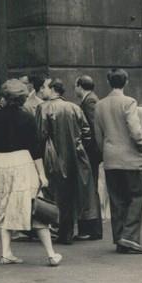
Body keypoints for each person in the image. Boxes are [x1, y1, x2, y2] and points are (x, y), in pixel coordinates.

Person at [0, 78, 61, 266]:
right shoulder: (27, 117)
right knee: (34, 206)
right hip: (22, 162)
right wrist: (42, 175)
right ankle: (51, 253)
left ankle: (6, 252)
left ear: (4, 97)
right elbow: (35, 150)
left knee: (4, 207)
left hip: (0, 163)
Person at [94, 68, 142, 254]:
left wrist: (104, 151)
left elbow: (98, 134)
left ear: (109, 82)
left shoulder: (100, 104)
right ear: (126, 82)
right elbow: (134, 129)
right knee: (138, 194)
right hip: (130, 157)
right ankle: (129, 236)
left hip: (110, 156)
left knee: (117, 198)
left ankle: (120, 238)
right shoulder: (129, 102)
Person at [37, 78, 95, 245]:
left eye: (44, 87)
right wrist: (78, 146)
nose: (42, 90)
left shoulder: (43, 108)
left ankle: (55, 229)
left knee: (52, 194)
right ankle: (67, 231)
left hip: (51, 158)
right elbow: (86, 132)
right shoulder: (74, 107)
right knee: (70, 194)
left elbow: (40, 135)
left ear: (53, 89)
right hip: (75, 156)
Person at [74, 75, 104, 241]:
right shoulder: (90, 100)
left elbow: (92, 129)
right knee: (89, 189)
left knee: (89, 189)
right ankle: (91, 228)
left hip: (90, 153)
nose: (74, 89)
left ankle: (92, 229)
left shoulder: (90, 102)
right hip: (92, 152)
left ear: (80, 86)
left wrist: (87, 149)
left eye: (75, 86)